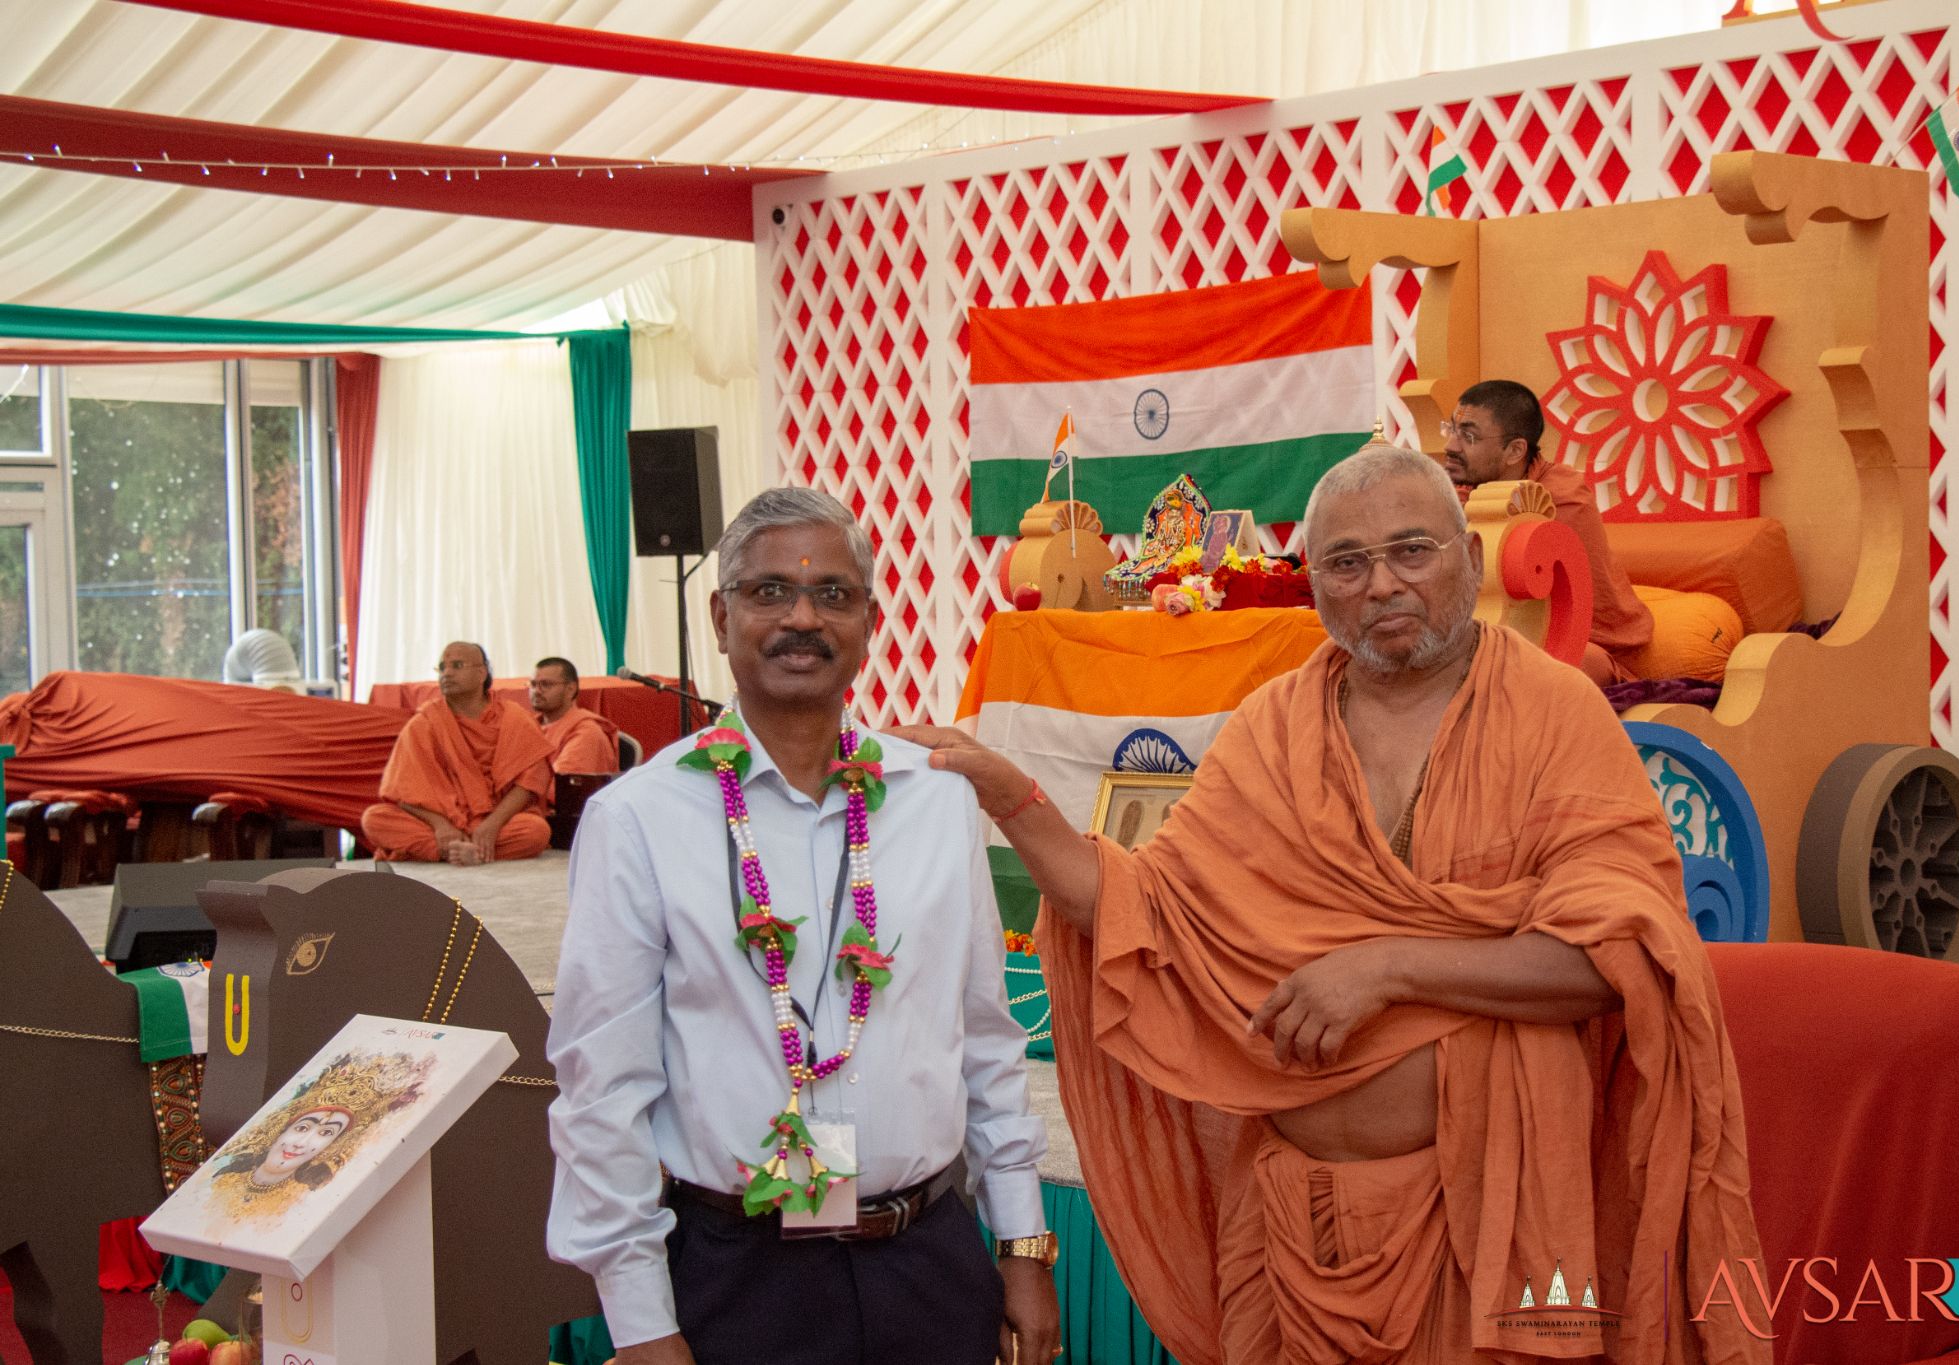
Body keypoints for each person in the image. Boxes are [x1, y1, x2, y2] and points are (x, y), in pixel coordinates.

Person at [897, 446, 1765, 1364]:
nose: (1382, 584)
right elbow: (1141, 907)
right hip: (1292, 1234)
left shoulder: (1555, 713)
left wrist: (1385, 969)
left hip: (1491, 1213)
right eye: (1347, 563)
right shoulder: (1275, 725)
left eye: (1412, 551)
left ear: (1469, 556)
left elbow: (1618, 953)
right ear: (1313, 583)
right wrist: (1008, 791)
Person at [545, 487, 1059, 1365]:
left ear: (867, 619)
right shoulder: (641, 817)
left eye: (833, 595)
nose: (802, 618)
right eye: (768, 591)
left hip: (928, 1263)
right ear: (720, 615)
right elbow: (603, 1090)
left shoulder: (934, 798)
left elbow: (984, 1039)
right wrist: (640, 1323)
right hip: (738, 1274)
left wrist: (1022, 1245)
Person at [1441, 378, 1654, 685]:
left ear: (1514, 451)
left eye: (1469, 437)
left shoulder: (1560, 500)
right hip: (1489, 636)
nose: (1450, 446)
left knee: (1544, 670)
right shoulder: (1461, 493)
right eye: (1450, 430)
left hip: (1585, 643)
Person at [360, 641, 552, 865]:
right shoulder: (425, 722)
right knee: (375, 819)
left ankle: (453, 850)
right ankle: (456, 850)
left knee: (535, 831)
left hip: (498, 821)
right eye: (442, 668)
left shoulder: (513, 718)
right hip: (440, 824)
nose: (447, 673)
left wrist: (492, 825)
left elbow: (529, 785)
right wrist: (441, 826)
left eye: (457, 665)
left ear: (482, 673)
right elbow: (403, 793)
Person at [530, 657, 620, 776]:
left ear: (570, 689)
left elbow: (560, 786)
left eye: (545, 684)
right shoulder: (530, 726)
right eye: (533, 684)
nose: (536, 691)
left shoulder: (586, 733)